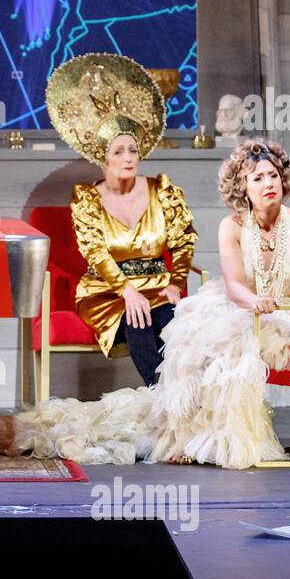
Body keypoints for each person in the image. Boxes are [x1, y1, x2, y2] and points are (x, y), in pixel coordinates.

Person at [0, 137, 290, 469]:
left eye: (272, 175)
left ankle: (202, 435)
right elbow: (232, 284)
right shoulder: (232, 226)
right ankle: (179, 431)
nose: (267, 183)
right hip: (243, 306)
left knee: (226, 346)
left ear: (283, 180)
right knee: (196, 339)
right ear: (242, 188)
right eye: (256, 178)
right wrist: (253, 303)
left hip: (286, 316)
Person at [54, 53, 198, 386]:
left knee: (171, 318)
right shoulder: (87, 199)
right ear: (102, 158)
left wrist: (176, 282)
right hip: (107, 292)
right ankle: (160, 398)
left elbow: (183, 239)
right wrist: (126, 290)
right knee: (136, 317)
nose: (128, 158)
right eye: (119, 152)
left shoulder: (162, 189)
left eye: (133, 150)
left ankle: (180, 400)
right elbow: (95, 252)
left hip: (160, 287)